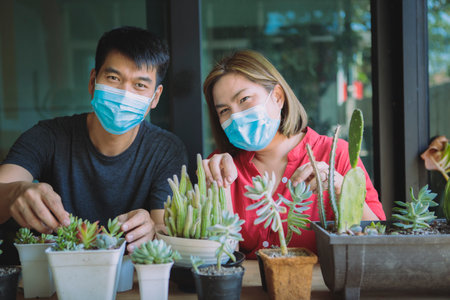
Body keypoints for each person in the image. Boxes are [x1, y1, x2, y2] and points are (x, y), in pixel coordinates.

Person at [0, 26, 188, 254]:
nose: (124, 94)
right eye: (113, 78)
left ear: (155, 97)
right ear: (92, 82)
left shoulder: (166, 150)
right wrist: (15, 192)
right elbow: (5, 185)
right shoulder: (48, 136)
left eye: (139, 85)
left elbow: (164, 230)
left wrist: (152, 230)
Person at [201, 50, 386, 259]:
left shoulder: (336, 154)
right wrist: (218, 192)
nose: (236, 115)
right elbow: (217, 259)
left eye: (244, 99)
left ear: (278, 97)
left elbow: (379, 237)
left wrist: (344, 191)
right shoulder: (221, 166)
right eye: (224, 110)